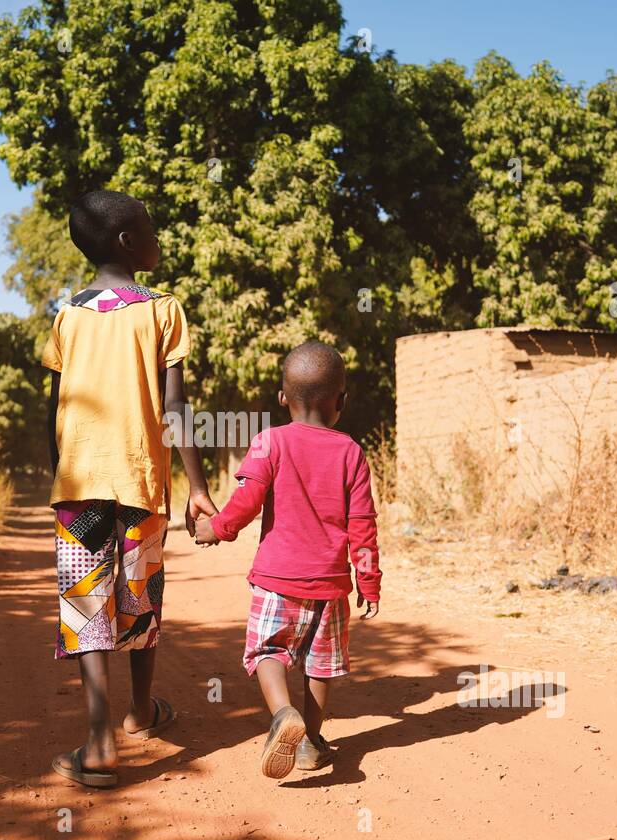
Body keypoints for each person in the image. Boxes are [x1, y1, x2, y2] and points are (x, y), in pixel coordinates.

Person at [43, 189, 216, 788]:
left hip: (80, 483)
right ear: (126, 242)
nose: (157, 235)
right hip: (141, 480)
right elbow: (175, 408)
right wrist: (196, 485)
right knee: (140, 595)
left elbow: (55, 409)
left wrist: (60, 470)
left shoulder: (67, 316)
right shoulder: (162, 309)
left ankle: (99, 743)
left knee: (88, 603)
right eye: (149, 227)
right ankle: (141, 710)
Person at [195, 341, 382, 778]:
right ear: (342, 400)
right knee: (321, 664)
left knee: (268, 651)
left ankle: (283, 714)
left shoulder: (269, 442)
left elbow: (247, 501)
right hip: (332, 584)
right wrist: (369, 581)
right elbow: (364, 526)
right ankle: (312, 743)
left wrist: (216, 528)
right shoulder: (352, 453)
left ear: (283, 398)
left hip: (277, 579)